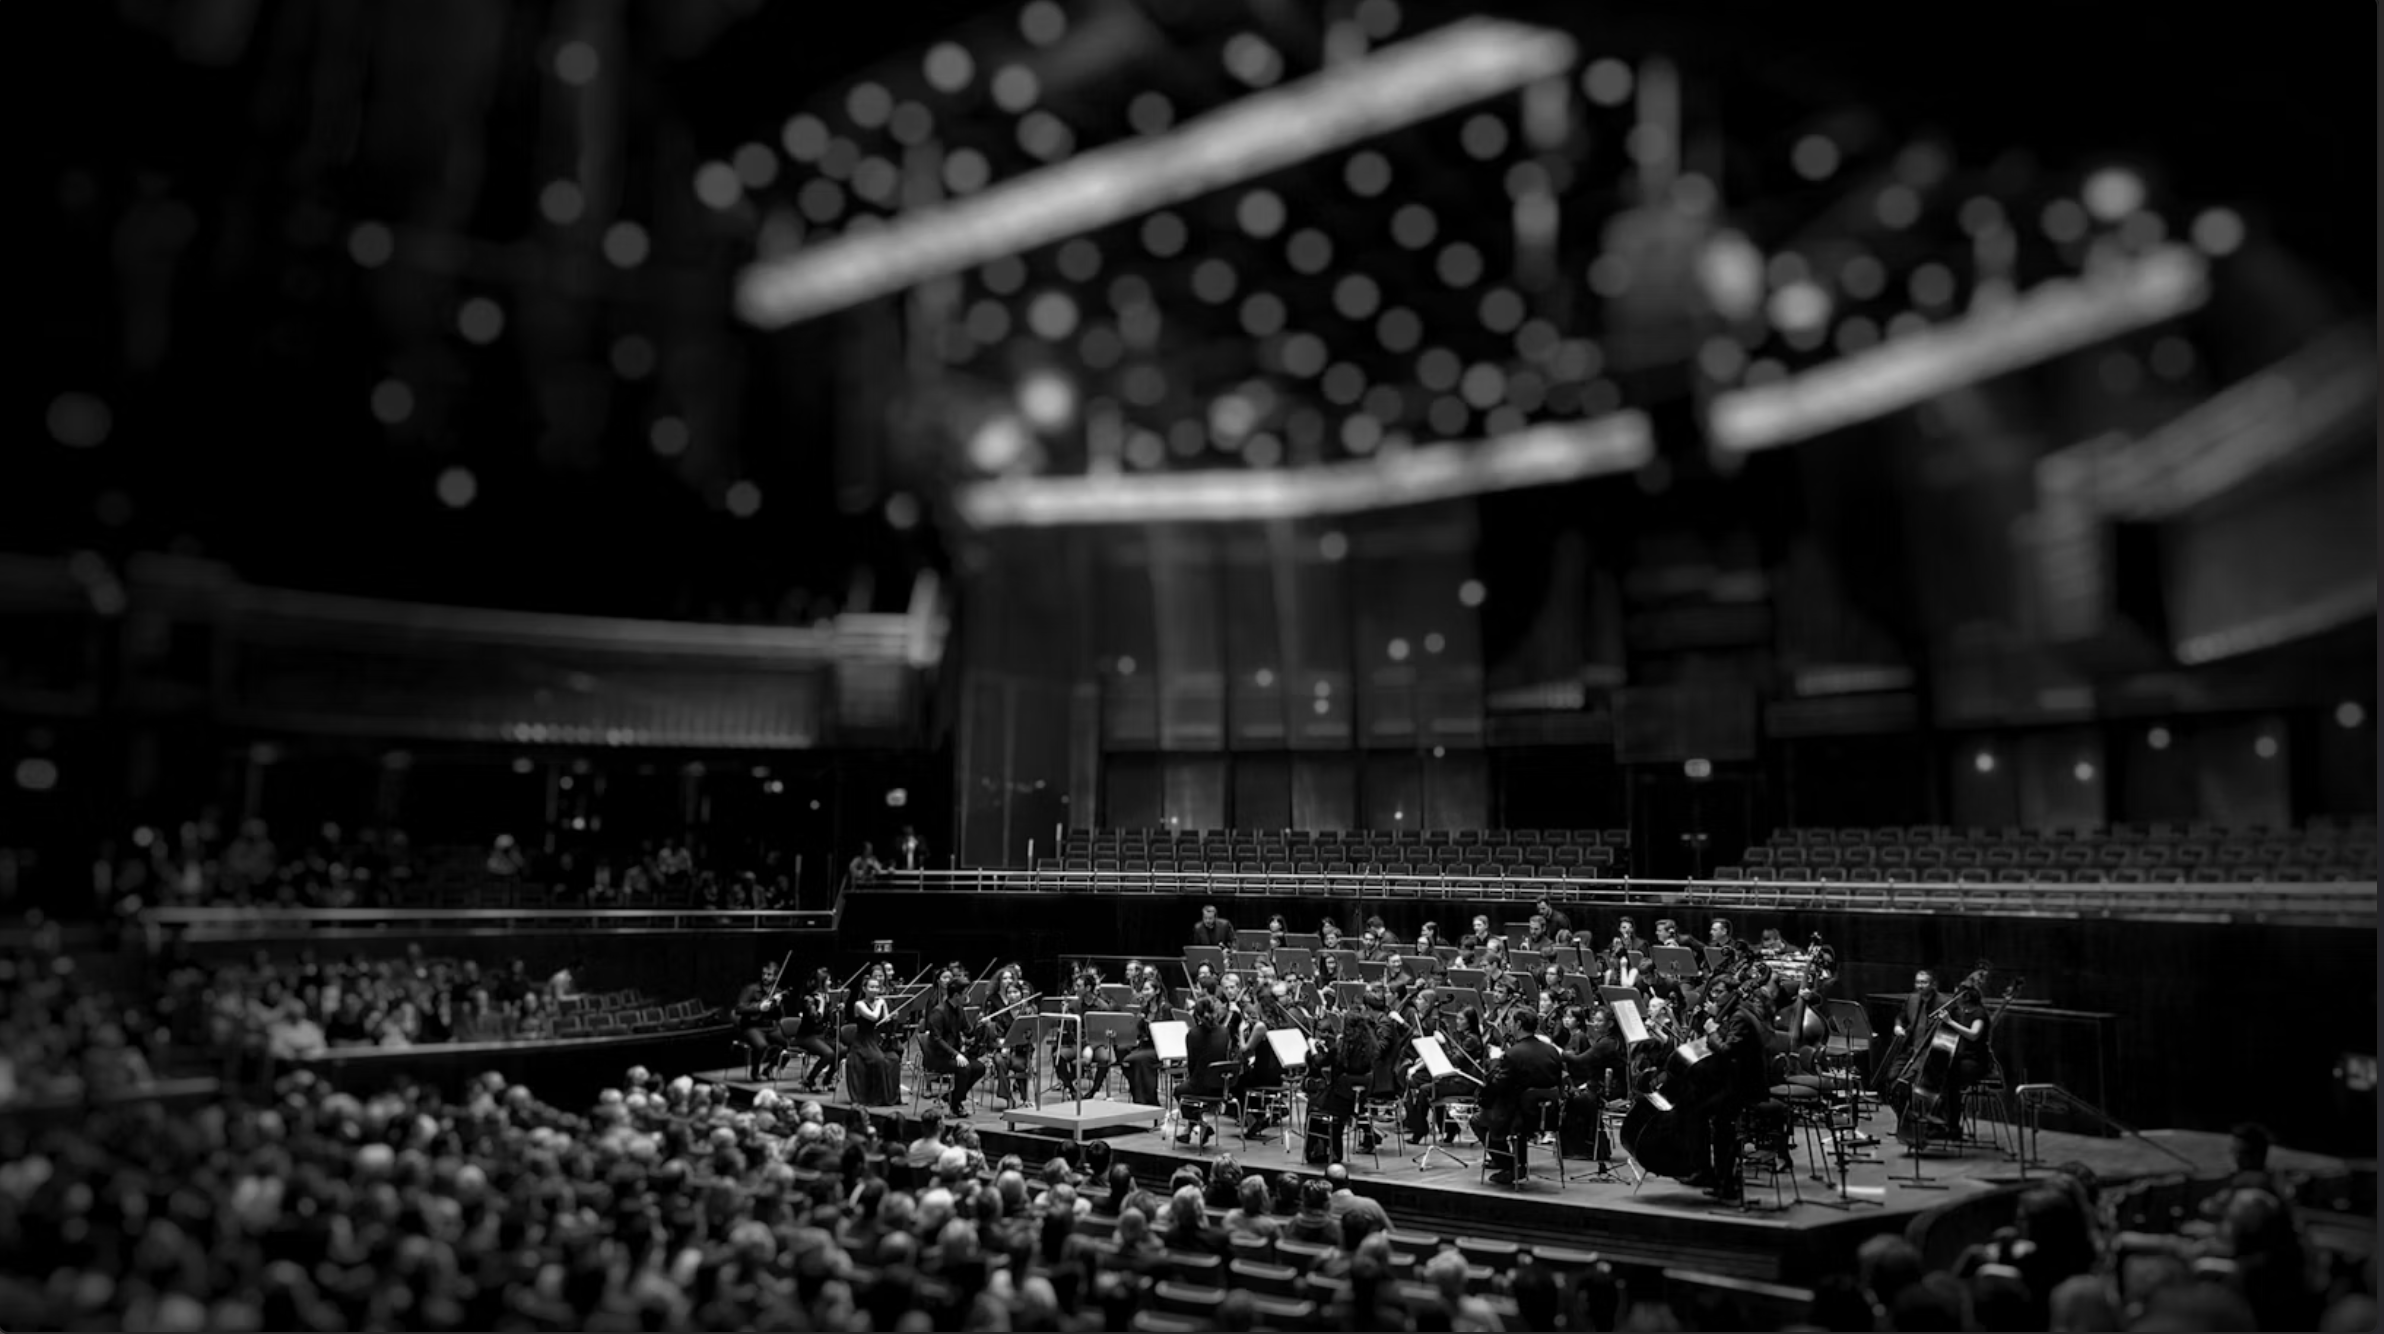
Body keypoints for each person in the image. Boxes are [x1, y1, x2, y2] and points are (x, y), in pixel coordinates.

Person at [1473, 1010, 1564, 1186]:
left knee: (1478, 1120)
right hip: (1548, 1115)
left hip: (1518, 1117)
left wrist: (1494, 1062)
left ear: (1519, 1025)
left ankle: (1509, 1165)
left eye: (1510, 1022)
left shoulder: (1514, 1054)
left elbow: (1498, 1084)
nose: (1508, 1025)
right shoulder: (1552, 1051)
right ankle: (1517, 1163)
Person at [920, 969, 983, 1117]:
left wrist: (979, 1024)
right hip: (938, 1057)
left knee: (979, 1068)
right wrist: (956, 1054)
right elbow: (936, 1039)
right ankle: (956, 1105)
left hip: (954, 1055)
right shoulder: (938, 1012)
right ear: (956, 996)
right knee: (964, 1069)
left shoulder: (959, 1009)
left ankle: (952, 1097)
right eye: (965, 993)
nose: (967, 996)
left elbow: (968, 1032)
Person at [847, 972, 900, 1106]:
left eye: (877, 987)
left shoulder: (881, 1003)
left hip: (877, 1040)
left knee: (894, 1058)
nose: (875, 990)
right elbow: (873, 1017)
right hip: (863, 1042)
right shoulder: (859, 1004)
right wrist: (880, 1004)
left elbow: (884, 1021)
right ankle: (874, 1098)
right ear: (864, 989)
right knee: (879, 1060)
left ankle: (890, 1097)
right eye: (871, 987)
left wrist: (892, 1018)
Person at [785, 968, 842, 1091]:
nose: (830, 983)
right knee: (829, 1054)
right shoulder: (809, 999)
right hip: (806, 1036)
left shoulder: (826, 997)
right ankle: (809, 1080)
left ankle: (827, 1080)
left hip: (821, 1036)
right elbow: (816, 1019)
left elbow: (830, 1020)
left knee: (841, 1050)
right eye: (828, 980)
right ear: (821, 982)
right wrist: (821, 1005)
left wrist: (837, 1010)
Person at [735, 961, 788, 1082]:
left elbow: (780, 1016)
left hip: (769, 1027)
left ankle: (769, 1068)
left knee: (787, 1045)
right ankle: (755, 1072)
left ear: (775, 977)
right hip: (751, 1027)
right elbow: (739, 1008)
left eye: (769, 975)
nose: (765, 977)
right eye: (764, 974)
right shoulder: (751, 989)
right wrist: (759, 1007)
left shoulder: (777, 991)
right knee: (761, 1046)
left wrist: (778, 1005)